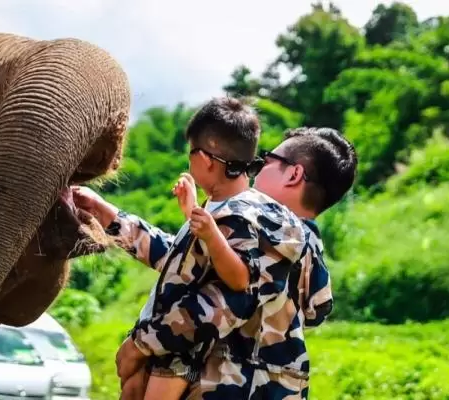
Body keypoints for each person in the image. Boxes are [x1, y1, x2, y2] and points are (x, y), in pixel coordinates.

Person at [76, 122, 357, 399]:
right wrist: (111, 218)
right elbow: (184, 265)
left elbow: (223, 304)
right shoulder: (282, 237)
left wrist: (141, 345)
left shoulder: (277, 231)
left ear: (294, 175)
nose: (254, 169)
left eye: (266, 161)